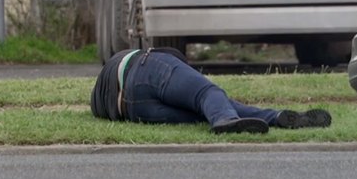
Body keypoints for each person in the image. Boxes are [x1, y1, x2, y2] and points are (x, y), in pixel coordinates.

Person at [91, 48, 332, 134]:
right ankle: (225, 120)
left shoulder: (97, 98)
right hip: (142, 70)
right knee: (208, 93)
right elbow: (200, 88)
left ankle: (275, 117)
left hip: (132, 110)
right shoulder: (160, 59)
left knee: (205, 109)